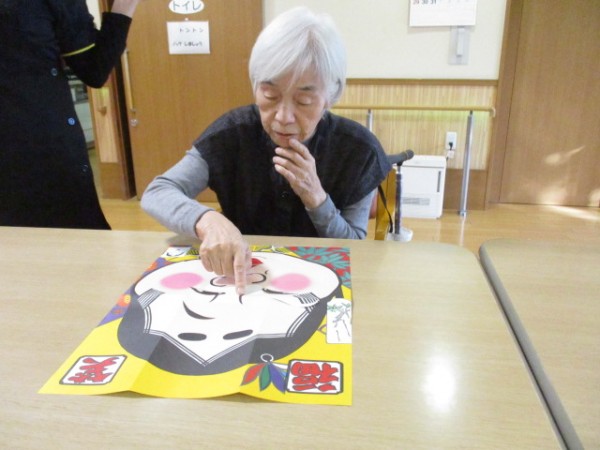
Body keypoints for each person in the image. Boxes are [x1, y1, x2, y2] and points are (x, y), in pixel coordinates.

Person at [141, 7, 391, 294]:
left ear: (330, 95)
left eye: (304, 101)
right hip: (241, 281)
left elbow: (354, 245)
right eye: (270, 95)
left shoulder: (359, 151)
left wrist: (317, 198)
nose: (283, 117)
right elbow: (158, 192)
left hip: (319, 285)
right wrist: (207, 221)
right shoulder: (232, 134)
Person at [0, 0, 142, 230]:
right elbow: (94, 70)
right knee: (71, 236)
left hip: (38, 143)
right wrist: (125, 7)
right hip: (41, 146)